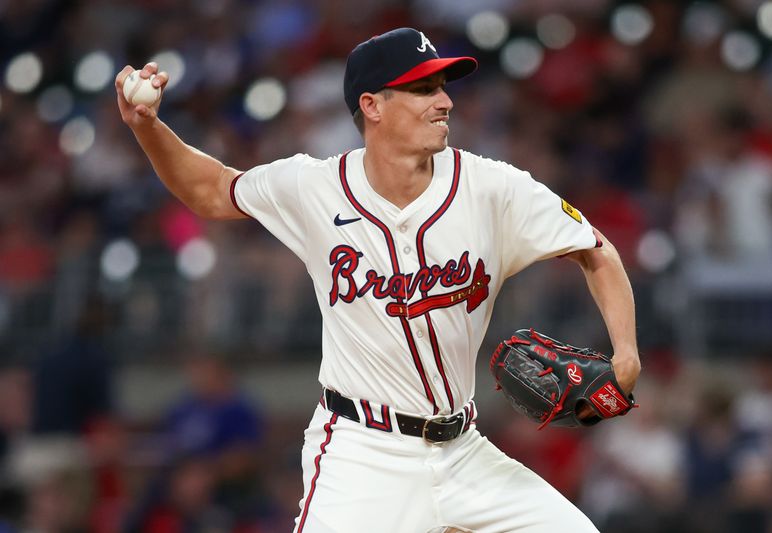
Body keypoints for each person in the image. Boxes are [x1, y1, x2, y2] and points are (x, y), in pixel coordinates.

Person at [116, 27, 641, 533]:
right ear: (372, 106)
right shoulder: (314, 186)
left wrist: (626, 359)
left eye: (442, 87)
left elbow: (596, 252)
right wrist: (147, 127)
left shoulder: (493, 188)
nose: (445, 102)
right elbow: (210, 191)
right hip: (361, 456)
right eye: (423, 88)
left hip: (463, 450)